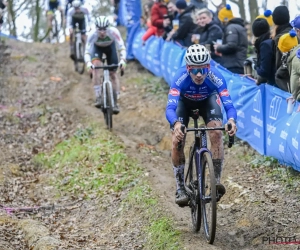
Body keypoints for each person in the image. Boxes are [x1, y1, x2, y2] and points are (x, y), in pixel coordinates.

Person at [165, 44, 237, 206]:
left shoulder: (216, 77)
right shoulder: (180, 77)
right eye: (195, 70)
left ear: (208, 68)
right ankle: (180, 187)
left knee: (217, 133)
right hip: (184, 103)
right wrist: (176, 124)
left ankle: (215, 181)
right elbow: (170, 108)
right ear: (188, 68)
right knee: (178, 140)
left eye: (203, 70)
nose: (199, 75)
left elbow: (229, 105)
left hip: (207, 101)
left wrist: (231, 120)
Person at [84, 16, 126, 114]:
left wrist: (123, 60)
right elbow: (87, 51)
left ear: (108, 28)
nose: (102, 32)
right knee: (96, 68)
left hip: (110, 49)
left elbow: (121, 47)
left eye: (104, 29)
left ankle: (115, 102)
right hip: (97, 49)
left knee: (113, 74)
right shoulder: (92, 34)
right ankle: (98, 96)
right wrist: (88, 63)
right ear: (96, 28)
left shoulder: (114, 31)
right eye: (99, 30)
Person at [214, 4, 248, 74]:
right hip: (238, 63)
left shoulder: (231, 28)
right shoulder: (238, 27)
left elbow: (231, 46)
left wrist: (218, 48)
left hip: (234, 65)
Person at [251, 18, 276, 85]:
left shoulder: (265, 45)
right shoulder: (270, 40)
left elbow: (264, 72)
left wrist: (255, 66)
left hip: (272, 84)